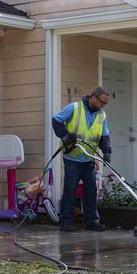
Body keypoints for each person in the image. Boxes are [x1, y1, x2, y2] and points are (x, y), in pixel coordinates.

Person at [52, 86, 112, 231]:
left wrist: (107, 151)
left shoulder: (101, 115)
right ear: (92, 97)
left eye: (105, 103)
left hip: (89, 158)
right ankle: (66, 221)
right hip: (72, 157)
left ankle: (91, 222)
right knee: (70, 189)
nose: (103, 106)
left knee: (91, 190)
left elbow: (104, 136)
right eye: (101, 102)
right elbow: (56, 120)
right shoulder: (74, 108)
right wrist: (65, 136)